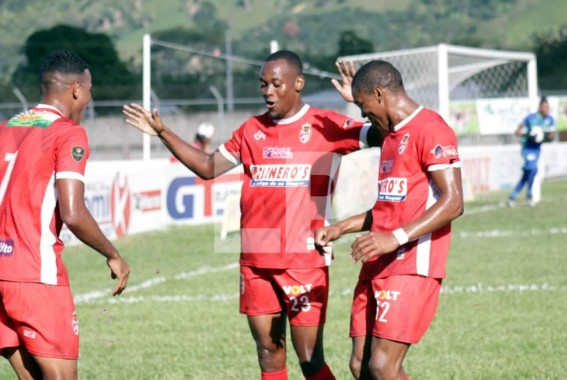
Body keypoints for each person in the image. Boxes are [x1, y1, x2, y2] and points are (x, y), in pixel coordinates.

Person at [124, 50, 380, 380]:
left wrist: (359, 104)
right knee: (268, 355)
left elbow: (387, 134)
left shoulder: (326, 124)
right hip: (256, 260)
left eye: (276, 84)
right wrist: (163, 132)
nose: (267, 91)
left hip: (303, 260)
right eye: (263, 84)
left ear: (298, 83)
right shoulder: (251, 130)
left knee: (309, 359)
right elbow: (207, 167)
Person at [314, 60, 464, 380]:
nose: (364, 115)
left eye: (365, 107)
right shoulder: (392, 138)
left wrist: (393, 238)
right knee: (360, 366)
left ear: (380, 93)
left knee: (384, 367)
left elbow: (453, 202)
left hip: (411, 263)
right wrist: (340, 227)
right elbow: (387, 209)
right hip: (377, 263)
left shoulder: (431, 128)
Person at [0, 50, 130, 379]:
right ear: (75, 88)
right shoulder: (67, 132)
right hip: (34, 273)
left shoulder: (6, 128)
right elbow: (72, 212)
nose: (89, 97)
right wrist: (113, 254)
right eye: (89, 89)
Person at [507, 96, 555, 207]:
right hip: (527, 147)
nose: (546, 109)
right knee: (533, 169)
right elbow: (517, 132)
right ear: (540, 107)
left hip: (537, 149)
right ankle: (529, 194)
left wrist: (545, 138)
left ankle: (513, 196)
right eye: (545, 107)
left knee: (527, 174)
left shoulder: (550, 120)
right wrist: (528, 135)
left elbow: (552, 136)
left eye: (548, 107)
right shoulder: (530, 118)